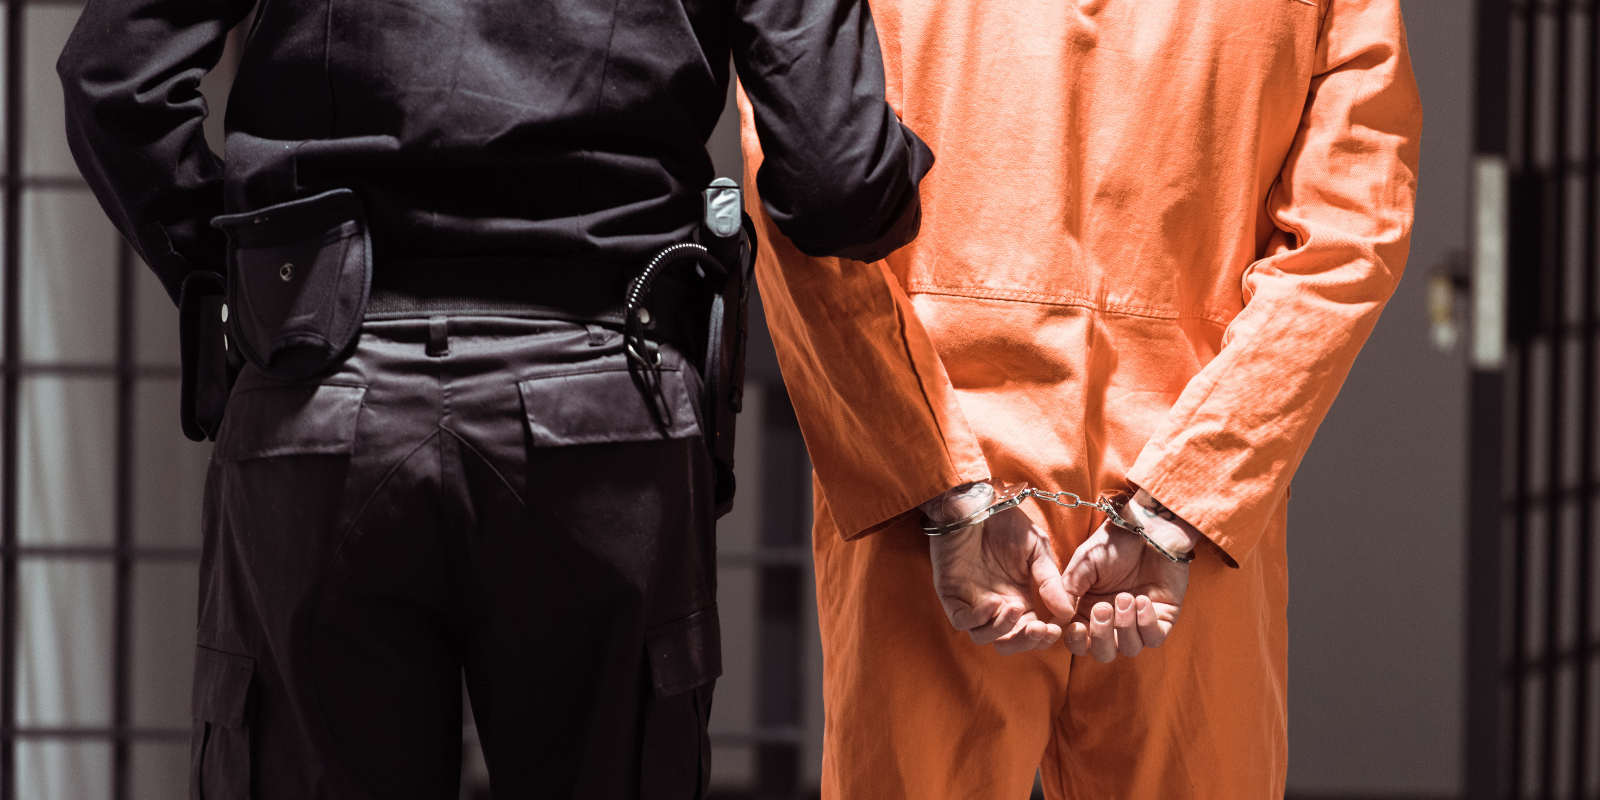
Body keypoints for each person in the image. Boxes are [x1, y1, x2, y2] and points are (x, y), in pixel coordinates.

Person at [56, 0, 931, 794]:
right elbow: (839, 181)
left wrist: (268, 283)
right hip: (604, 406)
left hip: (324, 395)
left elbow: (112, 76)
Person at [737, 0, 1422, 795]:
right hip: (1185, 487)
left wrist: (930, 475)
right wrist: (1190, 492)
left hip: (934, 492)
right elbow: (1349, 235)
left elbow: (800, 192)